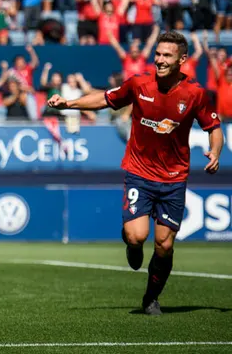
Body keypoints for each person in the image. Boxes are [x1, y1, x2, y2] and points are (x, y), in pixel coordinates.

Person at [47, 31, 223, 315]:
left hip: (174, 178)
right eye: (158, 54)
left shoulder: (195, 94)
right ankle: (130, 242)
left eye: (167, 55)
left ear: (182, 59)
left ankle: (151, 298)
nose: (160, 60)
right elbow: (105, 98)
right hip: (139, 172)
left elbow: (214, 129)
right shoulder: (139, 83)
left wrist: (215, 152)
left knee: (165, 245)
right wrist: (69, 104)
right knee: (136, 236)